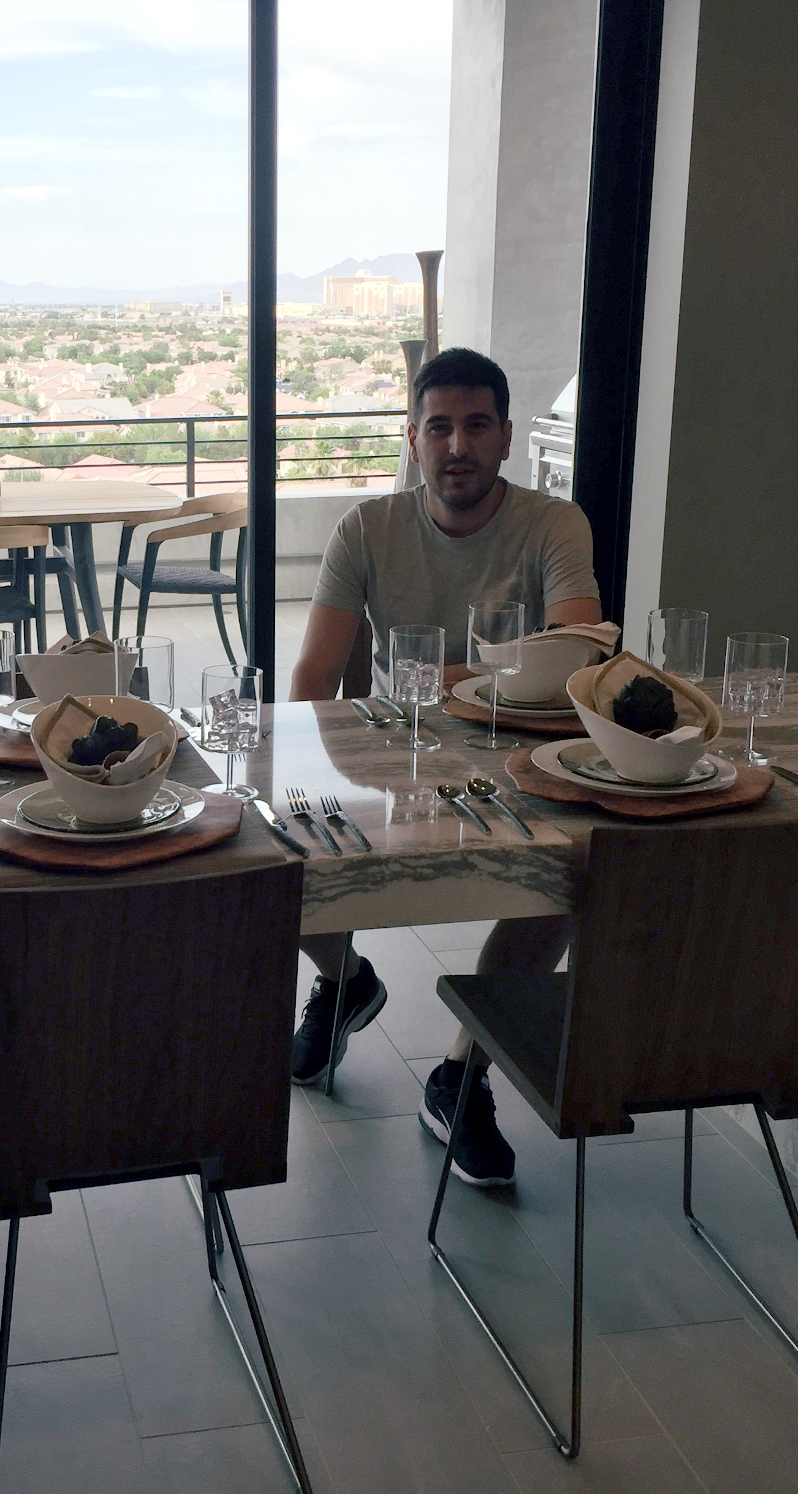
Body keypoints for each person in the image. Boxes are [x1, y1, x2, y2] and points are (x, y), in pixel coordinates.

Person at [284, 346, 602, 1186]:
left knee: (571, 872)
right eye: (438, 427)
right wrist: (325, 768)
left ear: (503, 438)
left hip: (522, 750)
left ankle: (462, 1074)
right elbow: (315, 679)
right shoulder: (368, 527)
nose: (456, 445)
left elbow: (578, 652)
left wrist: (450, 679)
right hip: (400, 748)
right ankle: (346, 979)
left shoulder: (553, 523)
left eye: (475, 426)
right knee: (280, 846)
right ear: (415, 440)